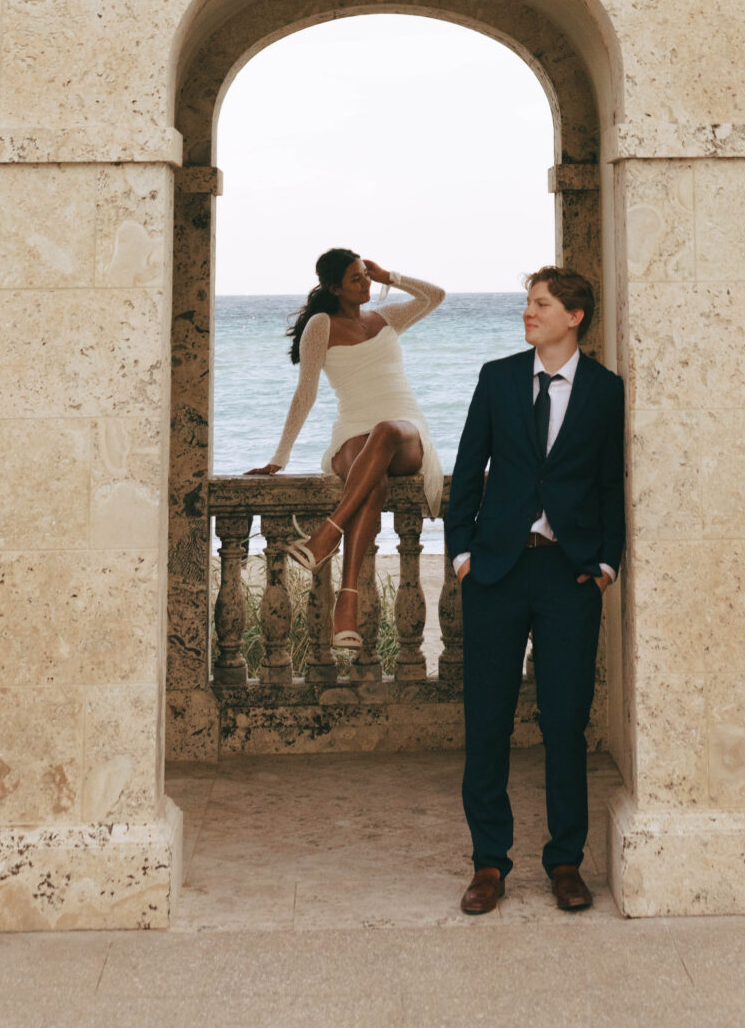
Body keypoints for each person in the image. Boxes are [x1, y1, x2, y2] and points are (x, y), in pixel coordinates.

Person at [444, 265, 624, 916]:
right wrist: (460, 551)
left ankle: (565, 861)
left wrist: (605, 564)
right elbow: (468, 467)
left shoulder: (605, 391)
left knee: (565, 722)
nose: (528, 313)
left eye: (540, 304)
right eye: (528, 303)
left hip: (567, 575)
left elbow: (609, 484)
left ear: (573, 316)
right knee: (486, 720)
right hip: (494, 571)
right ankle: (488, 863)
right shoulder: (497, 378)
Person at [250, 248, 445, 658]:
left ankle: (326, 534)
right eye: (356, 278)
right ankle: (346, 605)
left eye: (365, 275)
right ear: (334, 288)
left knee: (386, 430)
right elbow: (305, 393)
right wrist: (280, 457)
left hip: (403, 429)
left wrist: (390, 275)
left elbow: (435, 296)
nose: (366, 284)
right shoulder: (321, 326)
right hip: (353, 432)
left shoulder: (386, 318)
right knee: (370, 487)